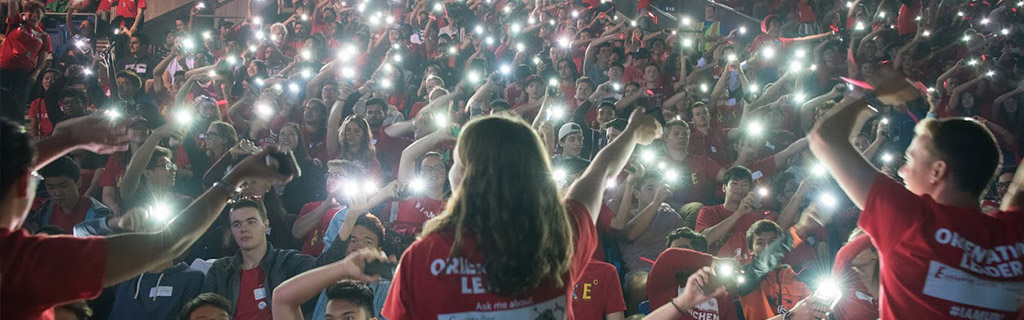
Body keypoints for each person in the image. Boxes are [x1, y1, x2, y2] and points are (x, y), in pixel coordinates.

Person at [0, 115, 293, 319]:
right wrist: (235, 177)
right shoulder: (25, 263)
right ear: (25, 186)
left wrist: (64, 141)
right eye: (36, 176)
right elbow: (168, 244)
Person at [382, 110, 662, 318]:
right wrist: (632, 132)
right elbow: (598, 175)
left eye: (456, 162)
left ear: (466, 174)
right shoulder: (560, 238)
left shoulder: (424, 257)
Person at [808, 74, 1024, 319]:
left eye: (910, 159)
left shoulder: (912, 222)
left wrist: (873, 97)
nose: (901, 170)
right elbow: (1019, 189)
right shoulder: (1015, 235)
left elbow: (824, 138)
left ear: (937, 171)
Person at [200, 199, 351, 317]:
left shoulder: (286, 261)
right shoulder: (220, 270)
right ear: (232, 230)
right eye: (237, 224)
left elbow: (324, 267)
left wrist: (350, 219)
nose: (244, 229)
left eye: (251, 221)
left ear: (265, 225)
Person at [24, 156, 113, 233]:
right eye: (51, 187)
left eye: (64, 186)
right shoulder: (45, 210)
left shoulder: (99, 214)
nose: (57, 193)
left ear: (78, 182)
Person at [0, 0, 52, 120]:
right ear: (25, 13)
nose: (34, 15)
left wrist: (35, 73)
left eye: (38, 12)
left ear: (42, 14)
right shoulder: (16, 23)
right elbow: (12, 6)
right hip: (3, 68)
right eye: (31, 12)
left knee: (18, 108)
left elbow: (42, 59)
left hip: (24, 73)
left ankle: (16, 136)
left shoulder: (44, 36)